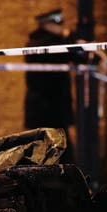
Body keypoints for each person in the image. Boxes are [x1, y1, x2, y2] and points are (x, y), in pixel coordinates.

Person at [24, 9, 74, 162]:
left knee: (61, 149)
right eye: (56, 24)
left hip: (56, 106)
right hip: (43, 106)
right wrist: (68, 38)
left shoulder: (59, 42)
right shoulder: (38, 43)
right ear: (46, 25)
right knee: (45, 150)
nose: (61, 27)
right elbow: (61, 54)